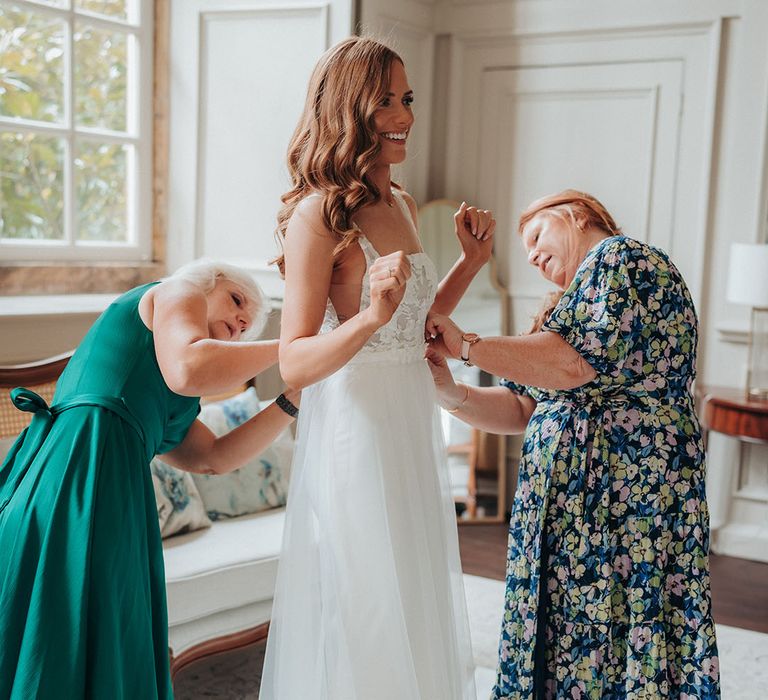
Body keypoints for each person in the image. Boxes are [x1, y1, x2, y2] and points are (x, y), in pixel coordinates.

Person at [259, 37, 495, 699]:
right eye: (386, 100)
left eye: (407, 99)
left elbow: (415, 323)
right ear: (348, 109)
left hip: (409, 424)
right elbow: (295, 361)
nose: (405, 115)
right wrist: (365, 317)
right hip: (356, 433)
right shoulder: (319, 216)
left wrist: (468, 265)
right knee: (367, 606)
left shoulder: (405, 205)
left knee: (414, 591)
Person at [426, 190, 720, 699]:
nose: (535, 257)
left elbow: (573, 366)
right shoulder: (567, 306)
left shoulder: (621, 259)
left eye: (537, 237)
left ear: (577, 216)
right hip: (567, 510)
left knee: (619, 632)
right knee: (564, 638)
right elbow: (522, 408)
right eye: (528, 255)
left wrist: (466, 344)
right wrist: (450, 392)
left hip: (627, 499)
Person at [0, 260, 300, 700]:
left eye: (245, 328)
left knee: (93, 632)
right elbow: (190, 365)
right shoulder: (178, 291)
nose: (240, 322)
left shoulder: (177, 392)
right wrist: (297, 348)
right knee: (65, 627)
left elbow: (213, 458)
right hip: (77, 472)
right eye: (237, 301)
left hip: (112, 490)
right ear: (206, 281)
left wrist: (292, 399)